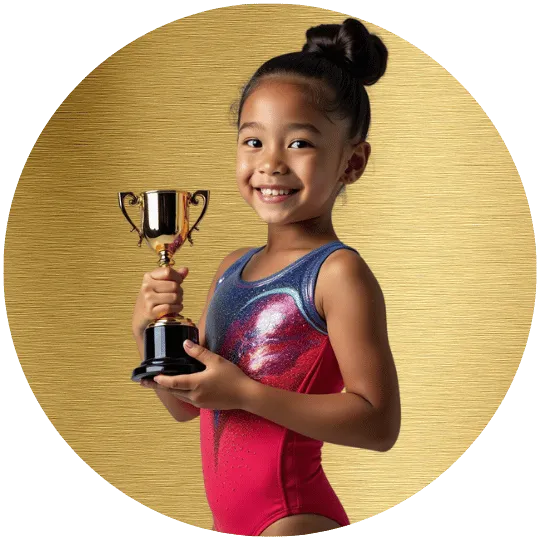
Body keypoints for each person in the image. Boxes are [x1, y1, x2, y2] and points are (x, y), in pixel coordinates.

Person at [132, 17, 401, 537]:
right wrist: (148, 330)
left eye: (299, 143)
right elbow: (189, 405)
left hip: (293, 517)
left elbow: (379, 424)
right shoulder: (231, 266)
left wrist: (248, 394)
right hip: (231, 523)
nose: (270, 163)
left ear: (353, 162)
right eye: (253, 141)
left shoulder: (336, 273)